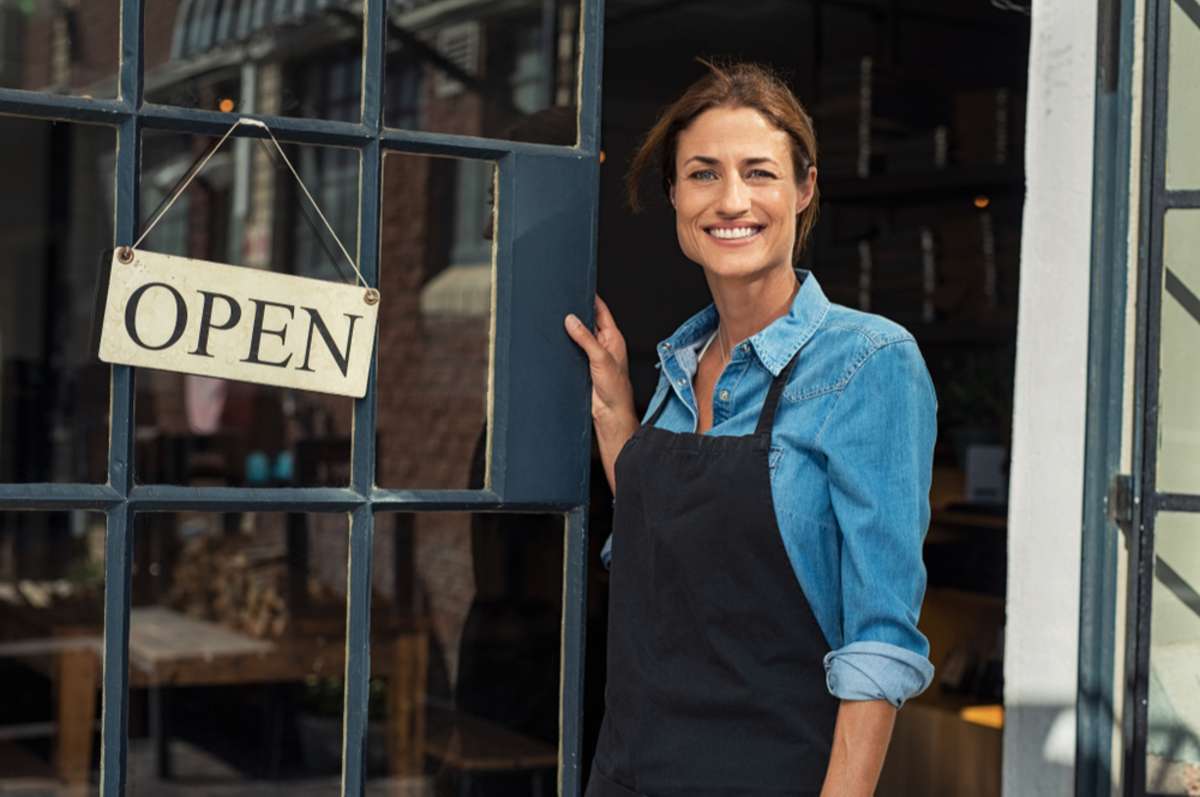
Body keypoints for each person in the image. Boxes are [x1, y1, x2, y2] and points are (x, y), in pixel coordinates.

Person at [563, 61, 937, 796]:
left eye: (759, 172)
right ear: (674, 195)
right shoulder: (679, 362)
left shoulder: (869, 362)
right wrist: (614, 409)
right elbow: (667, 539)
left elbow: (880, 641)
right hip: (629, 773)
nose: (732, 199)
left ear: (803, 190)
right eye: (703, 174)